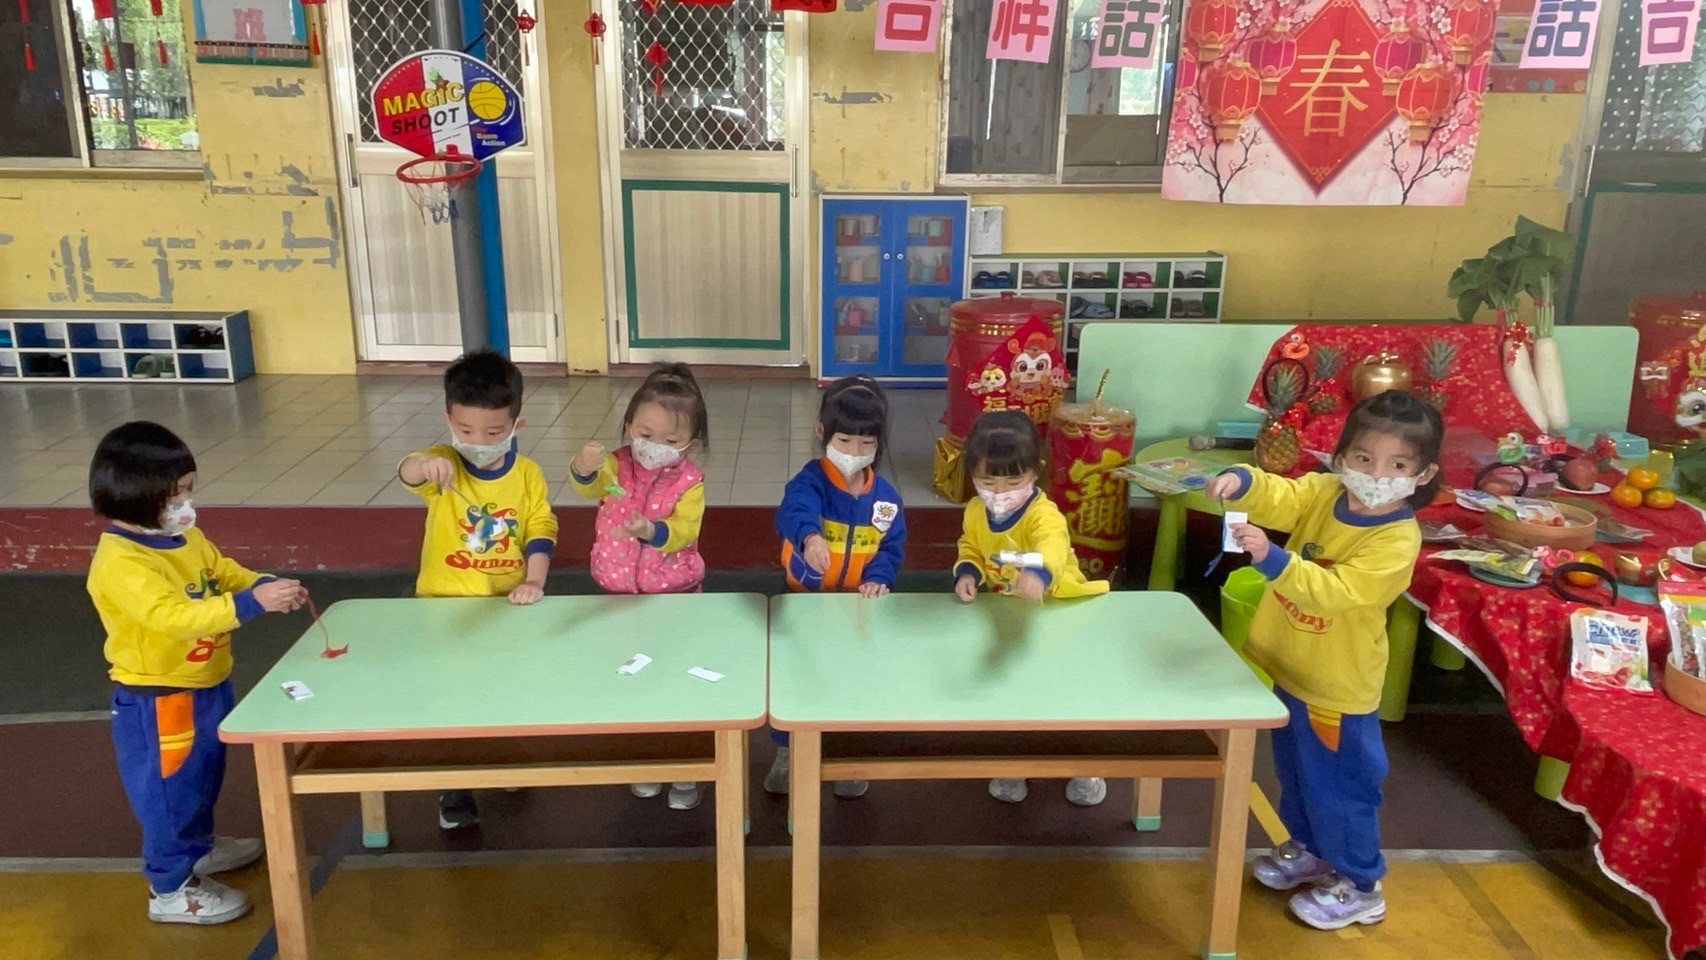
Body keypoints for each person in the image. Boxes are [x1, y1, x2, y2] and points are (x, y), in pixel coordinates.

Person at [1204, 390, 1441, 930]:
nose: (1375, 475)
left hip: (1337, 688)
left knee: (1342, 787)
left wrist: (1273, 559)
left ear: (1422, 474)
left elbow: (1338, 593)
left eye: (1397, 466)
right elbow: (1283, 495)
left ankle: (1360, 884)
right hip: (1293, 669)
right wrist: (1243, 481)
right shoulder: (1327, 491)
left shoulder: (1397, 539)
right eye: (1363, 458)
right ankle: (1312, 850)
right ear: (1341, 458)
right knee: (1296, 775)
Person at [87, 421, 308, 924]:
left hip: (206, 683)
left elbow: (221, 572)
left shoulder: (183, 537)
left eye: (189, 490)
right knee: (169, 794)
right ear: (139, 496)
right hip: (160, 698)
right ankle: (170, 888)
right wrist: (250, 604)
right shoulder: (121, 561)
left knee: (203, 776)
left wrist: (261, 583)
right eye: (177, 494)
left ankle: (198, 847)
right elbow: (172, 617)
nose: (187, 504)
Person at [399, 349, 559, 830]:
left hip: (507, 606)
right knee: (451, 699)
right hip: (443, 608)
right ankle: (455, 785)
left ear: (516, 425)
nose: (478, 442)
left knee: (507, 688)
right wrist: (424, 463)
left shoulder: (527, 474)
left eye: (493, 433)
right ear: (448, 421)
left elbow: (540, 527)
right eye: (465, 430)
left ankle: (504, 760)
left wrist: (535, 579)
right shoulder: (443, 461)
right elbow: (408, 471)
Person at [570, 363, 710, 810]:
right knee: (630, 681)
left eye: (670, 440)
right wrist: (583, 465)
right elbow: (588, 484)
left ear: (690, 443)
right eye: (645, 434)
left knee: (676, 681)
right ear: (629, 425)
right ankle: (645, 760)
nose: (654, 447)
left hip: (675, 600)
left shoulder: (690, 482)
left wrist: (651, 531)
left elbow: (685, 530)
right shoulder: (616, 465)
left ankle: (687, 768)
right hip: (617, 600)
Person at [952, 410, 1108, 806]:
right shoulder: (975, 511)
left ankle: (1085, 764)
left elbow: (1052, 543)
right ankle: (1013, 763)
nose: (999, 492)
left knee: (1067, 694)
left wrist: (1039, 572)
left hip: (1057, 611)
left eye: (1013, 481)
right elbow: (970, 545)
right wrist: (968, 571)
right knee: (1012, 691)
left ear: (1036, 472)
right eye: (988, 481)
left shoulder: (1043, 513)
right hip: (1008, 614)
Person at [766, 375, 906, 797]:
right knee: (799, 676)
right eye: (844, 441)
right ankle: (788, 750)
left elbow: (891, 547)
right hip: (804, 602)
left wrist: (879, 577)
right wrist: (810, 538)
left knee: (853, 680)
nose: (854, 452)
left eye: (866, 444)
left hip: (855, 610)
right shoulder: (811, 481)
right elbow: (794, 511)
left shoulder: (885, 499)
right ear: (822, 432)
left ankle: (846, 753)